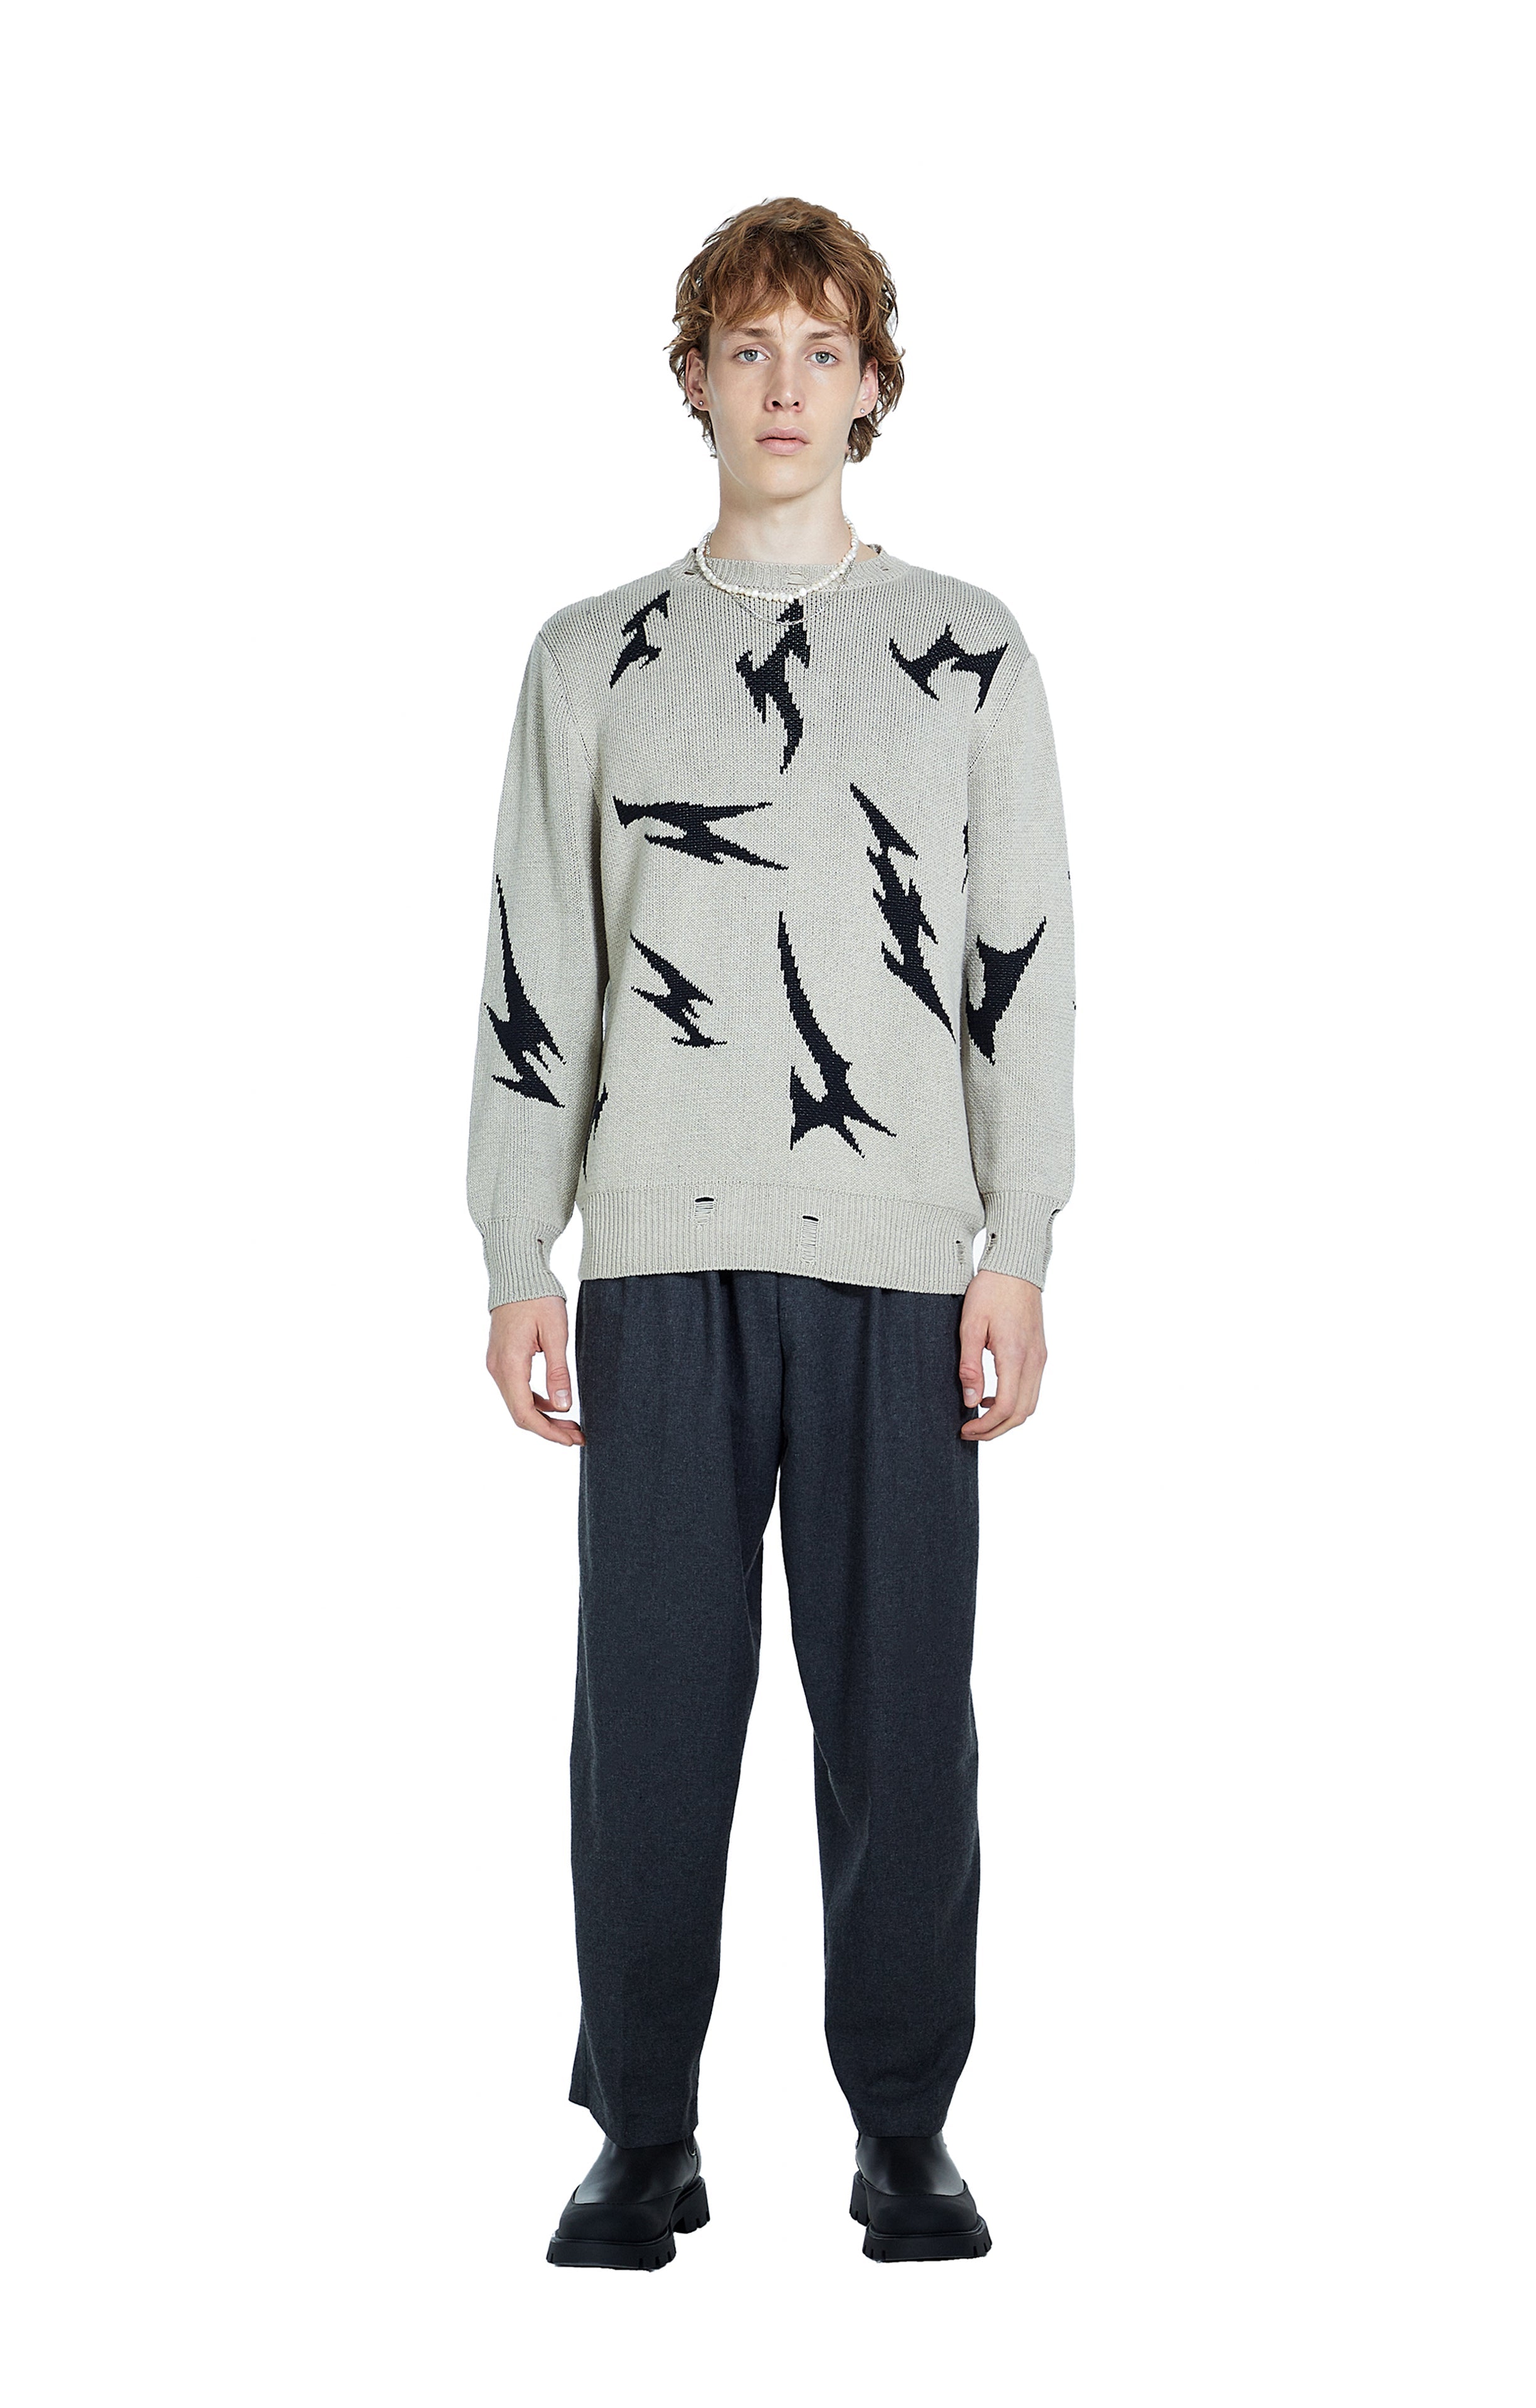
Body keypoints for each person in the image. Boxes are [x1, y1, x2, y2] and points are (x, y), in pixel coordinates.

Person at [466, 196, 1075, 2270]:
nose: (784, 387)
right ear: (694, 379)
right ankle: (642, 2131)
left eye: (821, 350)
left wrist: (1018, 1240)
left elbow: (1020, 967)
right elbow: (538, 964)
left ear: (874, 383)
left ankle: (902, 2132)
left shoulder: (972, 650)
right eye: (747, 348)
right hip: (657, 1264)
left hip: (901, 1265)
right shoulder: (587, 660)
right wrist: (515, 1251)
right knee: (649, 1718)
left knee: (900, 1721)